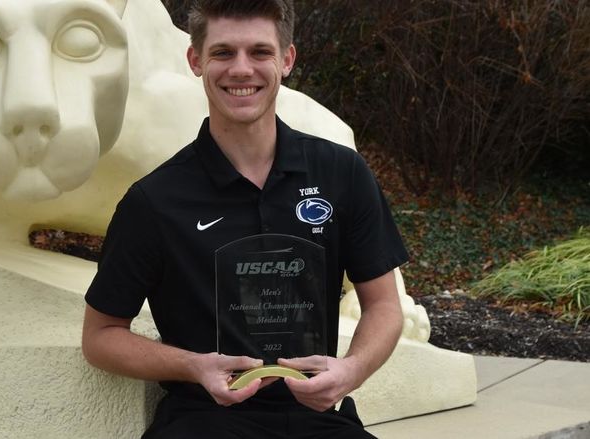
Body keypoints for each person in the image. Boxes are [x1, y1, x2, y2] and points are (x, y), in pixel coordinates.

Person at [82, 0, 408, 437]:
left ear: (286, 60)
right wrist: (194, 366)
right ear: (195, 60)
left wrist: (351, 370)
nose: (241, 69)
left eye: (259, 52)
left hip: (319, 421)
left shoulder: (342, 172)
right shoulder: (153, 201)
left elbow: (384, 304)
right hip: (204, 421)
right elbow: (100, 336)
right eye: (222, 53)